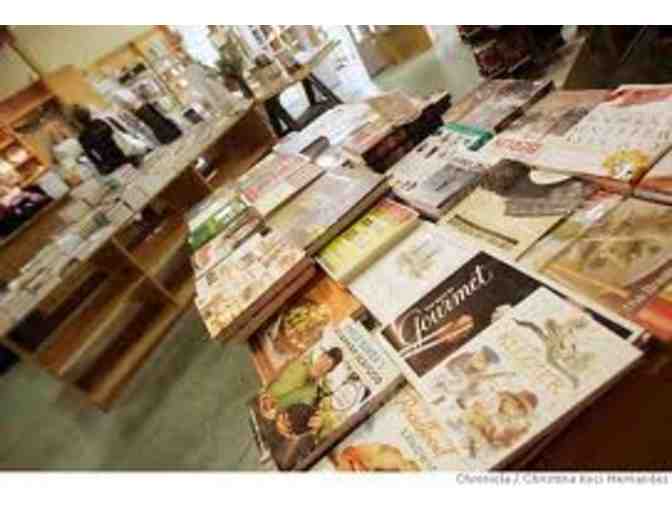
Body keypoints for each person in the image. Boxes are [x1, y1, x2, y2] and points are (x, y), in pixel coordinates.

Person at [258, 347, 343, 420]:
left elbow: (292, 413)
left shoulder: (312, 394)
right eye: (323, 359)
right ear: (321, 356)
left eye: (327, 365)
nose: (321, 365)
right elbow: (275, 373)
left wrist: (275, 413)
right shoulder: (298, 360)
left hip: (271, 417)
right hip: (259, 394)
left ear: (329, 371)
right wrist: (263, 393)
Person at [72, 105, 132, 175]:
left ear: (78, 121)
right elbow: (112, 132)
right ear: (89, 113)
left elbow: (91, 155)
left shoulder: (83, 137)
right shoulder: (99, 122)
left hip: (109, 163)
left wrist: (100, 166)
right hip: (120, 154)